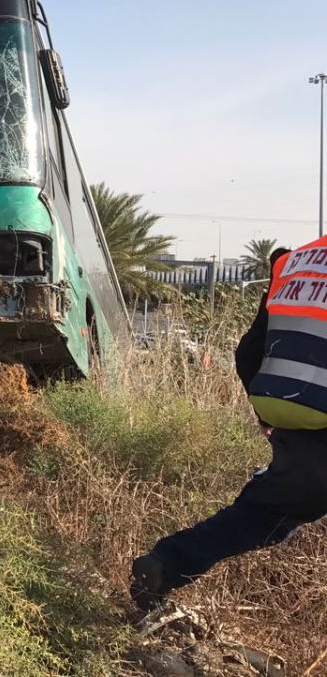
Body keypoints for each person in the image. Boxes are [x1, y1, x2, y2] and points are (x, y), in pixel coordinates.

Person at [129, 241, 327, 610]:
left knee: (261, 514)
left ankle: (165, 565)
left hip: (300, 427)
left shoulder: (297, 263)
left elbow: (248, 352)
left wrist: (269, 416)